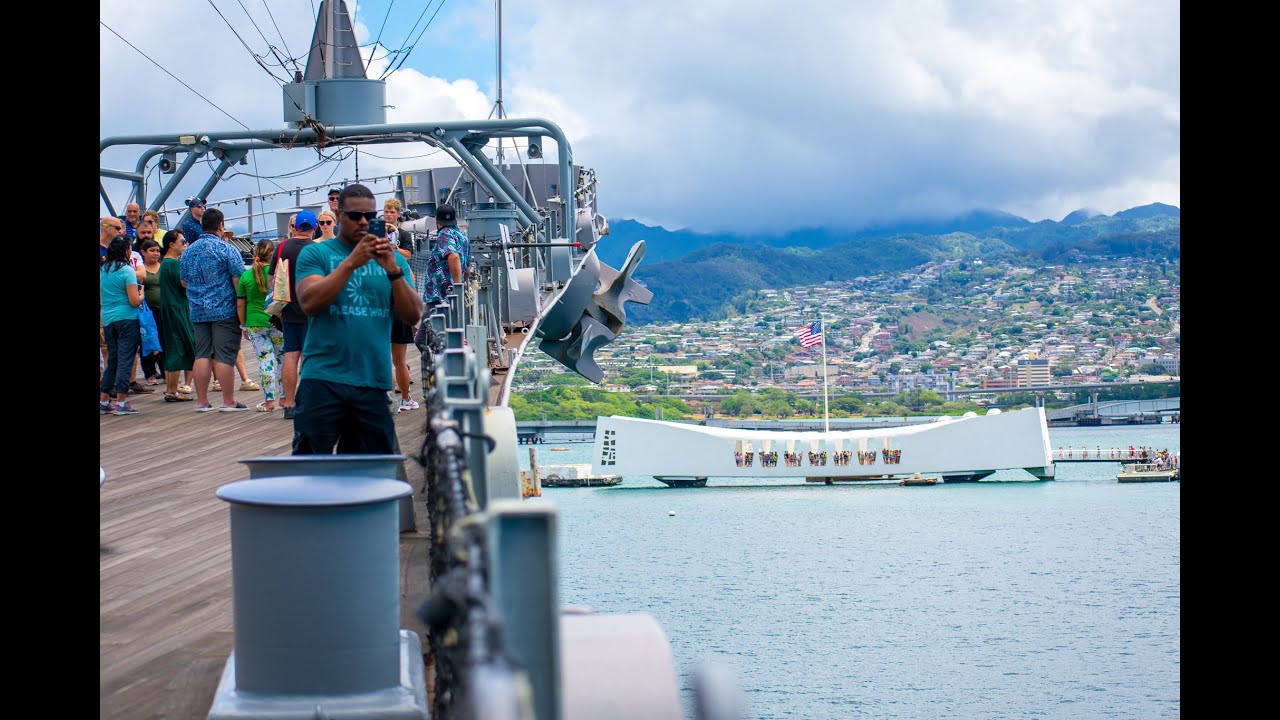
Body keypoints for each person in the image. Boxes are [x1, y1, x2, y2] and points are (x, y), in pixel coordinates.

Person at [292, 183, 423, 454]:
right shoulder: (317, 253)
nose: (363, 222)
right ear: (339, 216)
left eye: (370, 216)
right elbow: (310, 302)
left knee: (371, 472)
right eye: (355, 216)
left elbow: (412, 314)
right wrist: (352, 262)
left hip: (372, 383)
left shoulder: (393, 260)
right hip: (323, 379)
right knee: (310, 469)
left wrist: (393, 270)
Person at [179, 207, 249, 412]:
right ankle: (229, 401)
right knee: (224, 355)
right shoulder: (227, 249)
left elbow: (183, 282)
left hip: (198, 311)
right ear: (221, 225)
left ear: (202, 225)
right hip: (224, 310)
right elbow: (238, 282)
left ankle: (202, 401)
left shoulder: (188, 251)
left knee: (201, 355)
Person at [271, 210, 318, 420]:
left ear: (294, 227)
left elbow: (272, 280)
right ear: (314, 228)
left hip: (288, 309)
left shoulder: (281, 247)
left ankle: (289, 404)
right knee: (310, 357)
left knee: (291, 355)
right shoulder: (317, 250)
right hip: (312, 309)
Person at [237, 240, 285, 412]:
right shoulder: (278, 273)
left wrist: (243, 326)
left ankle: (269, 401)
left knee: (265, 361)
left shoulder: (246, 276)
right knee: (282, 361)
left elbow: (240, 304)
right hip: (277, 321)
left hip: (255, 323)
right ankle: (285, 398)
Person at [100, 236, 143, 415]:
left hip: (108, 319)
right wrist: (142, 296)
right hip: (127, 318)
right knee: (126, 360)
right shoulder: (127, 270)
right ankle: (122, 402)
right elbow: (134, 301)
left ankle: (103, 401)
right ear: (125, 251)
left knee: (114, 360)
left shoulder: (102, 269)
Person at [384, 197, 417, 412]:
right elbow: (411, 283)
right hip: (399, 309)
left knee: (381, 357)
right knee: (400, 360)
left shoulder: (368, 257)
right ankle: (405, 398)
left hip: (377, 310)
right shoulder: (401, 261)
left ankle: (388, 400)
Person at [158, 229, 195, 401]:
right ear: (171, 244)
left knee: (175, 347)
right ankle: (172, 391)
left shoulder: (166, 263)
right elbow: (185, 283)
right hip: (177, 309)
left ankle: (171, 389)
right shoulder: (172, 264)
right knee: (177, 348)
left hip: (172, 307)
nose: (185, 244)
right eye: (182, 241)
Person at [421, 203, 470, 307]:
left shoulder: (444, 234)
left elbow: (453, 256)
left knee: (427, 322)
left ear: (436, 220)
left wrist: (457, 287)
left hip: (440, 296)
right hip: (453, 297)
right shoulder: (463, 236)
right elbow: (467, 268)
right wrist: (463, 281)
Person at [136, 237, 165, 384]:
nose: (155, 253)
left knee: (163, 339)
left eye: (157, 251)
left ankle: (165, 369)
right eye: (152, 250)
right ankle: (150, 372)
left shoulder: (163, 266)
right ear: (143, 252)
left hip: (163, 308)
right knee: (147, 340)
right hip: (147, 310)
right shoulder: (141, 270)